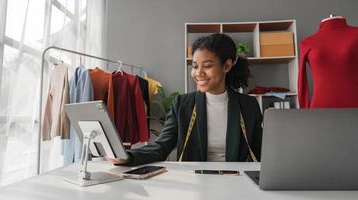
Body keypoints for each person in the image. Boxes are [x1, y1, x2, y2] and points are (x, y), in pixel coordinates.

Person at [108, 33, 263, 166]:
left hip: (237, 181)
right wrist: (128, 157)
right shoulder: (183, 104)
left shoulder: (248, 105)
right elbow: (162, 146)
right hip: (195, 181)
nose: (198, 73)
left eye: (207, 66)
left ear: (227, 66)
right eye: (195, 66)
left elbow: (262, 151)